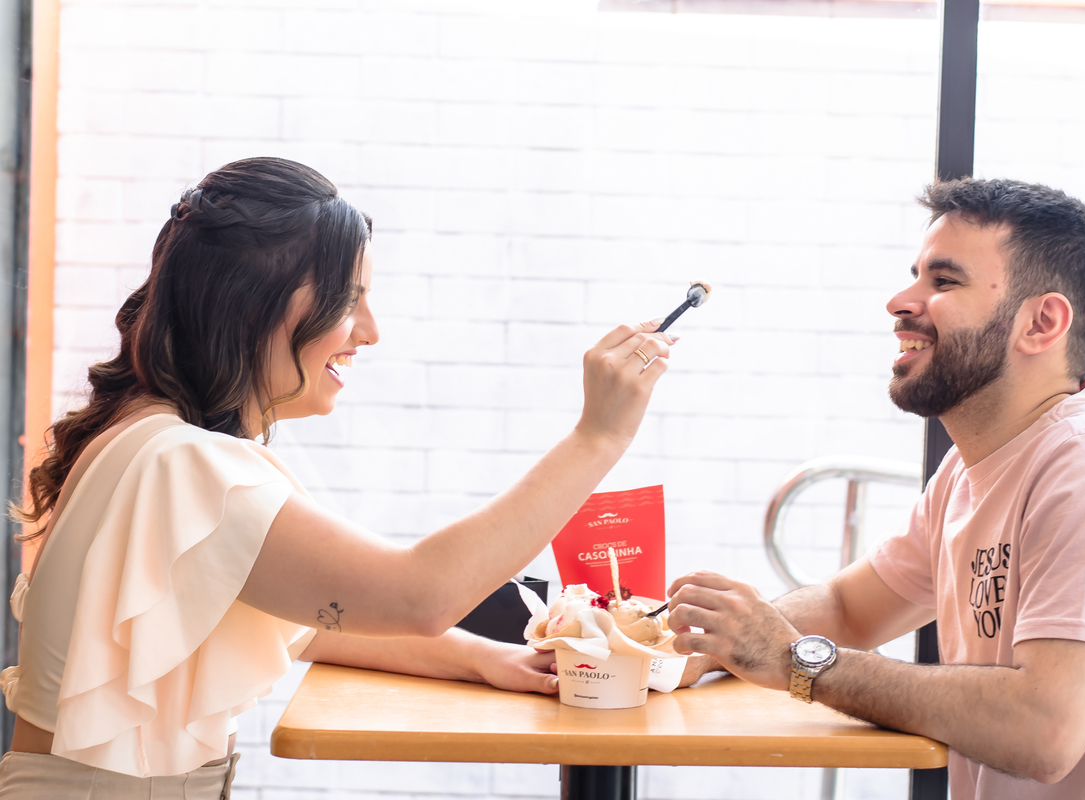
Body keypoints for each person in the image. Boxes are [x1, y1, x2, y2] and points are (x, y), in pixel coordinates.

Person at [0, 157, 676, 797]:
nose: (370, 332)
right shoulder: (186, 465)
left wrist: (480, 658)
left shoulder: (144, 435)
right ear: (254, 304)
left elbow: (312, 616)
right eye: (346, 301)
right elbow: (419, 594)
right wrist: (599, 436)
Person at [667, 178, 1085, 799]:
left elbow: (1044, 728)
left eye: (943, 283)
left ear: (1042, 323)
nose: (900, 301)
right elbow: (850, 608)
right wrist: (703, 646)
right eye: (915, 276)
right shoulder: (970, 467)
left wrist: (796, 661)